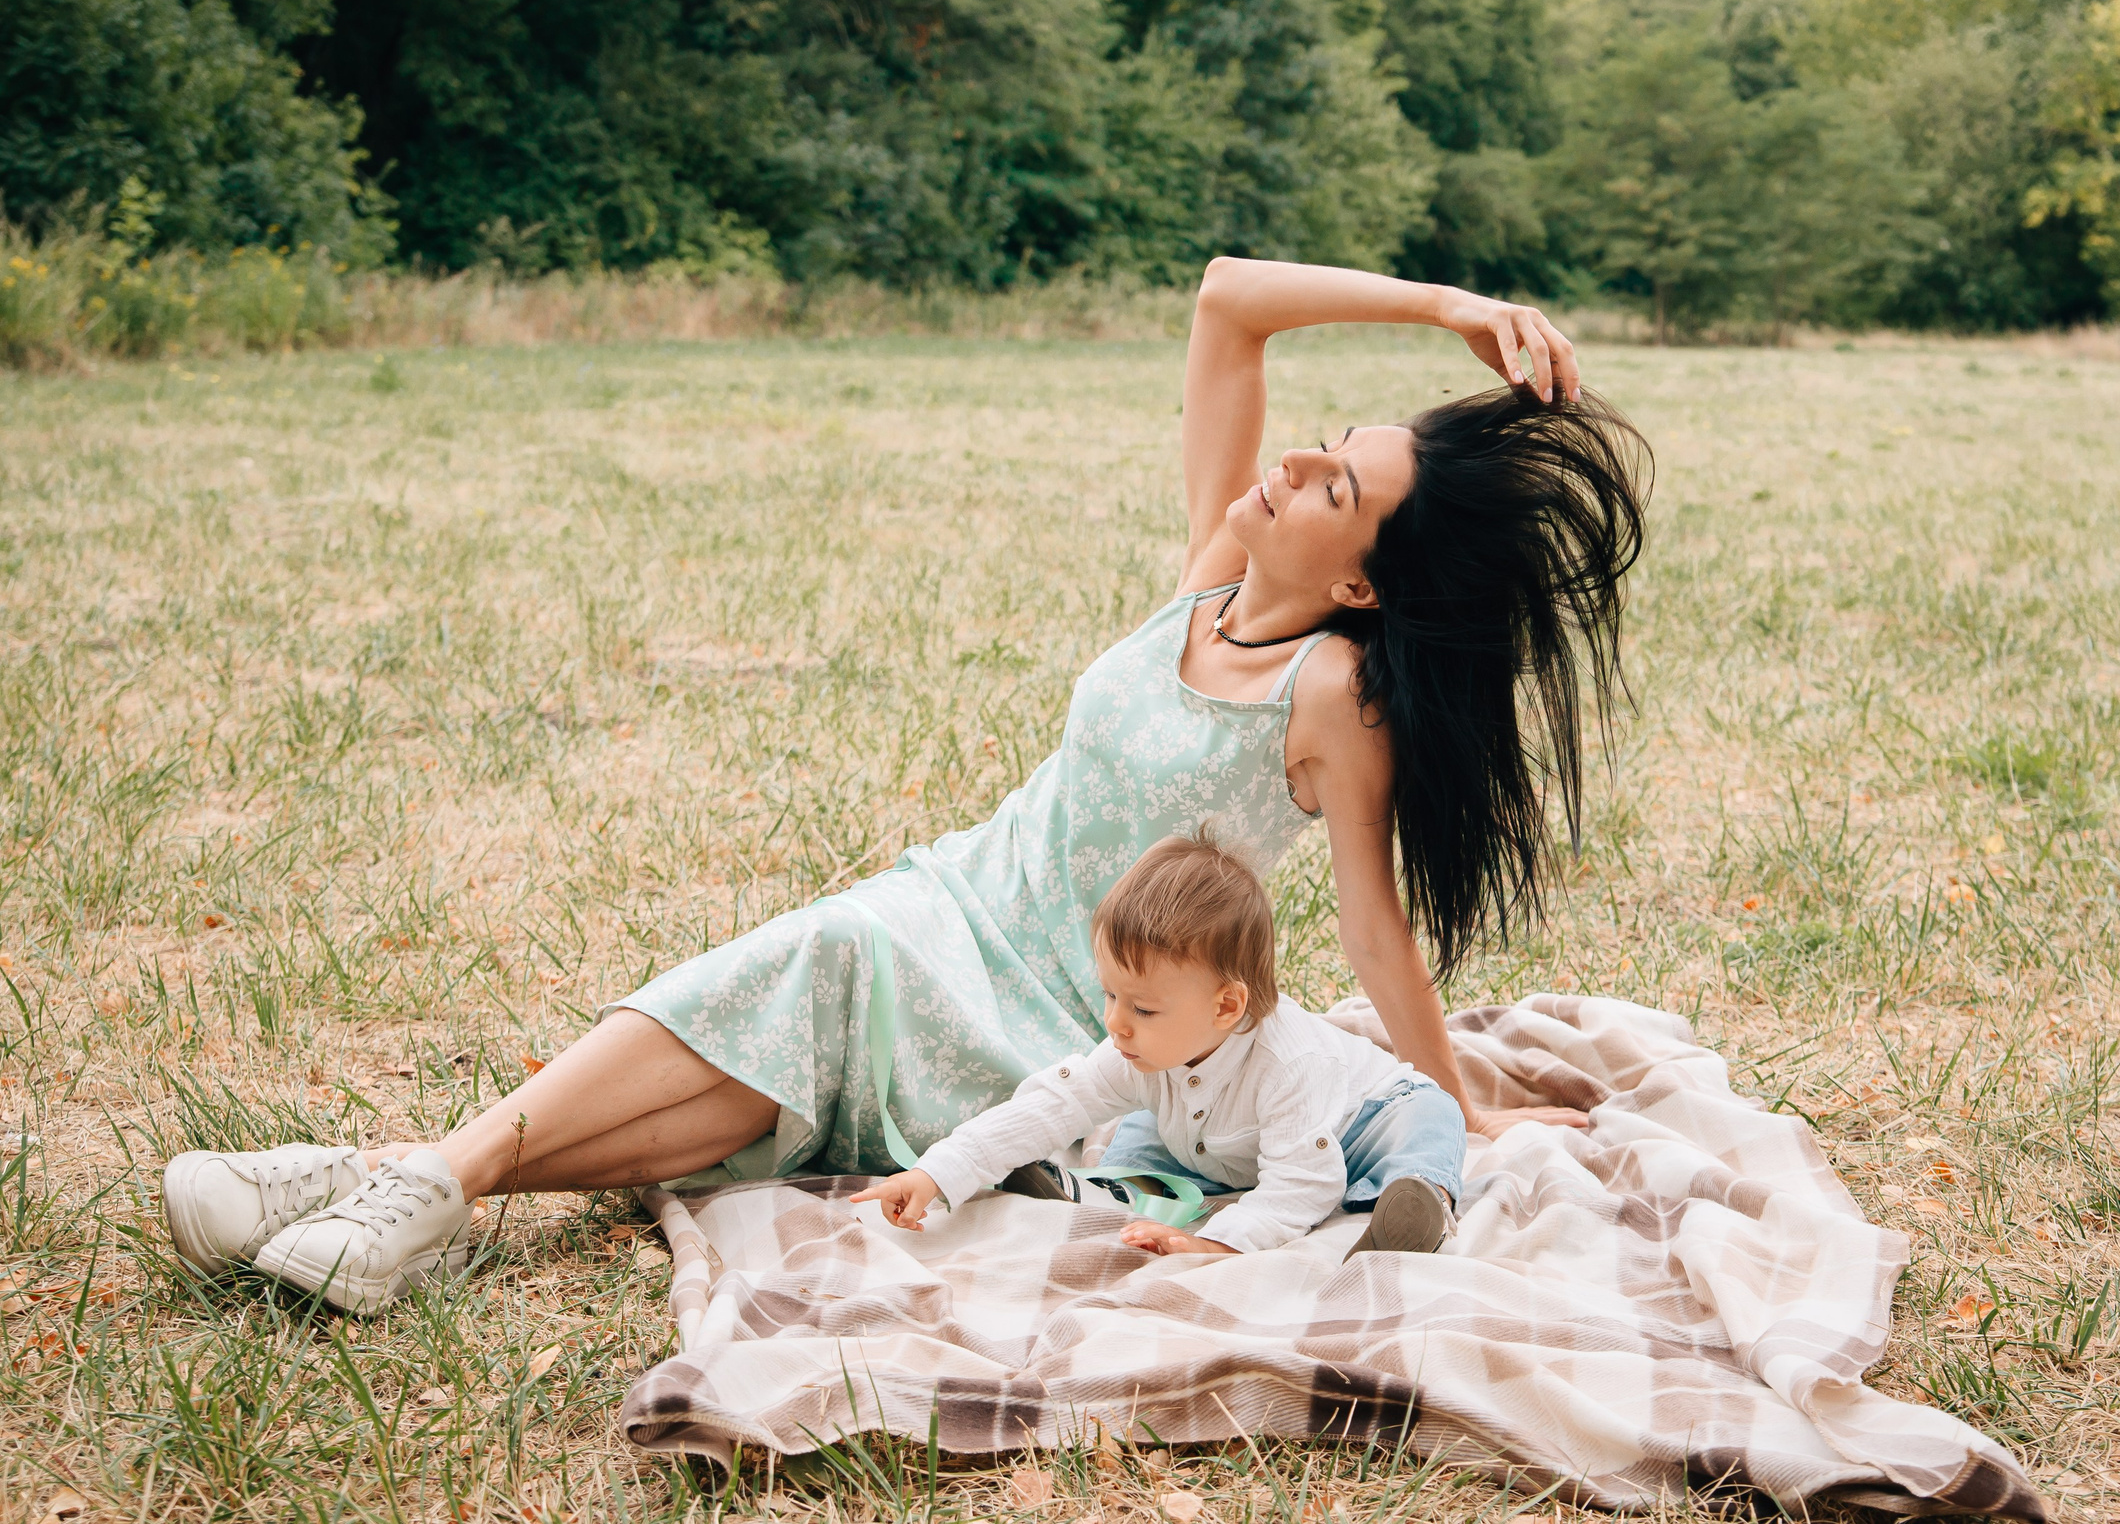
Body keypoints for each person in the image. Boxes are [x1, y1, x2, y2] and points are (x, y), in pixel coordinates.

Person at [159, 257, 1650, 1315]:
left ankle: (398, 1182)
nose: (1297, 467)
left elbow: (1373, 929)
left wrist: (1465, 1108)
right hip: (959, 897)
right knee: (798, 1001)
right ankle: (409, 1182)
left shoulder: (1332, 694)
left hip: (1065, 1006)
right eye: (1323, 443)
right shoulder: (1208, 576)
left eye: (1336, 485)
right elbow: (1225, 296)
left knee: (812, 963)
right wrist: (1445, 304)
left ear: (1370, 584)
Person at [851, 831, 1466, 1258]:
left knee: (1431, 1117)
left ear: (1227, 1006)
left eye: (1142, 1007)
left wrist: (1225, 1241)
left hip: (1363, 1121)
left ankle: (1418, 1206)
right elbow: (1050, 1106)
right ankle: (1103, 1188)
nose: (1115, 1023)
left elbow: (1307, 1183)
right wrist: (937, 1172)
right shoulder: (1139, 1048)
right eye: (1112, 996)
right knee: (1140, 1135)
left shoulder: (1289, 1067)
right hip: (1218, 1143)